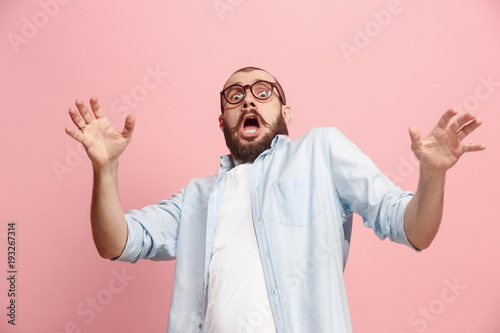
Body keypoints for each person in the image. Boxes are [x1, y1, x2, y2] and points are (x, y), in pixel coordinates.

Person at [65, 67, 485, 333]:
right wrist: (105, 169)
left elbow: (413, 230)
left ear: (286, 111)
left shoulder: (320, 151)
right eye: (235, 95)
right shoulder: (196, 198)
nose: (248, 98)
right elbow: (116, 242)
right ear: (223, 120)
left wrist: (432, 174)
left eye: (263, 91)